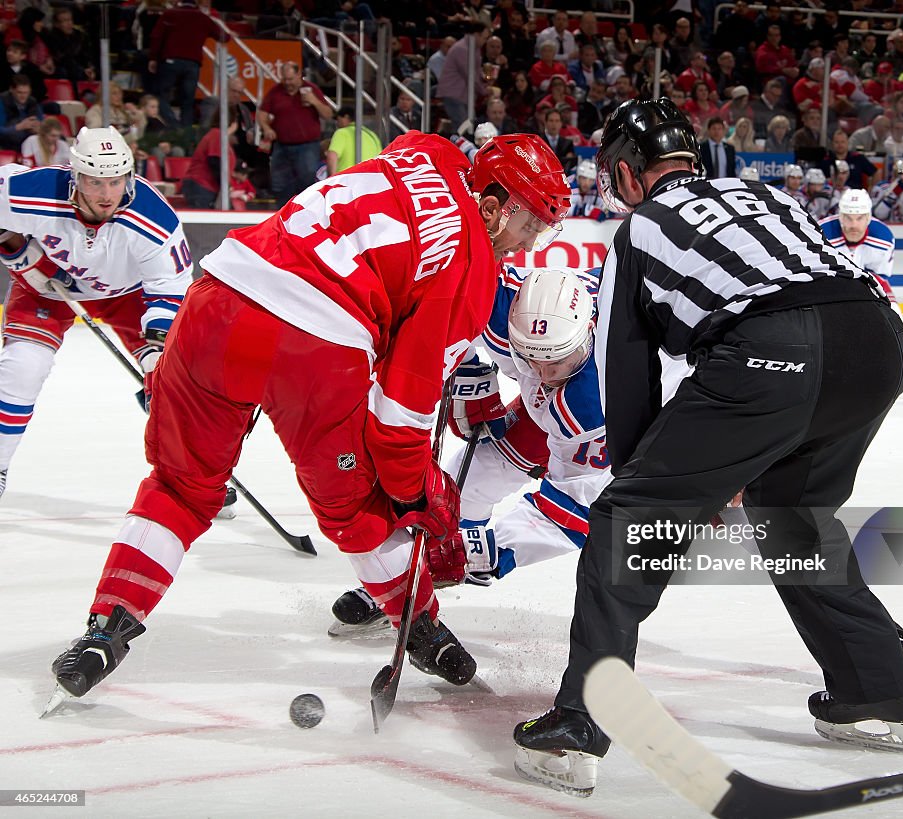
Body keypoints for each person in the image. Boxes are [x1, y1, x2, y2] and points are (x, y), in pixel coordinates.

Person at [47, 132, 572, 706]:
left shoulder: (428, 152)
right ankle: (416, 622)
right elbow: (399, 419)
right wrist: (419, 495)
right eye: (530, 227)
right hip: (314, 345)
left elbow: (410, 173)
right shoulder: (472, 273)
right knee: (356, 506)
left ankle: (107, 629)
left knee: (181, 485)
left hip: (216, 302)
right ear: (493, 209)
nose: (527, 246)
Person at [513, 98, 903, 796]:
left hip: (775, 348)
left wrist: (658, 489)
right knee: (793, 518)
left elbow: (629, 376)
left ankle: (582, 723)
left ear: (627, 174)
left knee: (624, 518)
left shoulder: (638, 231)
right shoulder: (766, 193)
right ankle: (877, 694)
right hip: (878, 341)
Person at [331, 267, 612, 631]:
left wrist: (489, 551)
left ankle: (449, 564)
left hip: (635, 425)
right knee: (464, 483)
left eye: (556, 362)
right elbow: (440, 301)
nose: (542, 374)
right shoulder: (501, 304)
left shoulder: (596, 403)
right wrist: (464, 367)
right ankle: (413, 575)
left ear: (588, 333)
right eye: (529, 359)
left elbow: (573, 509)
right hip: (553, 407)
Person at [0, 127, 191, 501]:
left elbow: (171, 290)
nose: (107, 194)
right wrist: (13, 248)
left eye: (116, 181)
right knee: (23, 367)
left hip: (128, 295)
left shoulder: (155, 219)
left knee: (172, 382)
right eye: (95, 182)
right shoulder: (32, 191)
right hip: (49, 284)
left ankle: (191, 478)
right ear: (75, 177)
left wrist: (155, 348)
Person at [820, 189, 903, 395]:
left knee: (896, 316)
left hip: (869, 283)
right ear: (840, 216)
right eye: (848, 218)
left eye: (859, 218)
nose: (852, 225)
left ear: (868, 217)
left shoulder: (883, 237)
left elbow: (881, 278)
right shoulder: (821, 232)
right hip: (831, 285)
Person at [258, 62, 335, 208]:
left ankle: (306, 212)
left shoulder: (311, 90)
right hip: (281, 145)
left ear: (299, 75)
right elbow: (261, 114)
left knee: (306, 181)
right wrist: (266, 128)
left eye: (291, 79)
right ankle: (282, 213)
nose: (288, 83)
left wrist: (314, 101)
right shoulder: (276, 91)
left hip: (307, 146)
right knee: (279, 183)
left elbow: (328, 114)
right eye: (285, 80)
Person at [147, 0, 227, 140]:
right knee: (188, 102)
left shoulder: (171, 14)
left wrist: (153, 57)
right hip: (192, 64)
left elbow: (156, 36)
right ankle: (187, 136)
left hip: (170, 61)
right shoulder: (203, 17)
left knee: (161, 95)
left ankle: (175, 128)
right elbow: (224, 37)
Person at [0, 75, 42, 151]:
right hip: (8, 139)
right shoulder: (2, 102)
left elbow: (41, 121)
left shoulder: (32, 102)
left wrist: (37, 128)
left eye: (26, 93)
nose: (23, 96)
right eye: (20, 92)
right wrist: (19, 127)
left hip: (29, 136)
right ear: (11, 90)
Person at [870, 159, 903, 223]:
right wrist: (892, 195)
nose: (902, 176)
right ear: (893, 173)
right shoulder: (880, 188)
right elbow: (878, 214)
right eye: (900, 172)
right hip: (882, 227)